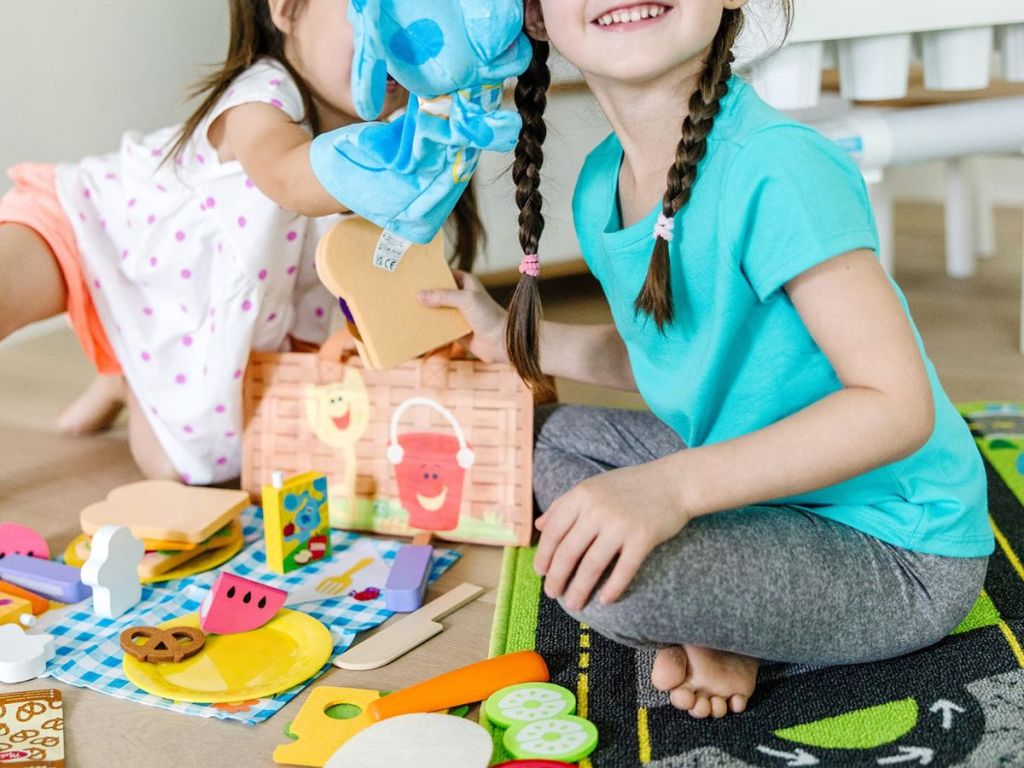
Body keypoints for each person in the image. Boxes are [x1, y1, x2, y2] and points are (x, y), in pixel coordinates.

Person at [420, 0, 992, 719]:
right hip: (759, 489)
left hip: (897, 546)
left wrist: (671, 490)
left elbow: (895, 405)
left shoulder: (778, 166)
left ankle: (731, 625)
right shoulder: (606, 182)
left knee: (603, 580)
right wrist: (512, 337)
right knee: (542, 440)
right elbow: (680, 359)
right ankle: (730, 620)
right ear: (534, 16)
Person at [0, 0, 483, 485]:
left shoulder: (404, 129)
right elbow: (288, 177)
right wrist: (407, 163)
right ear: (287, 10)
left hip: (185, 304)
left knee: (184, 469)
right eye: (371, 13)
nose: (398, 40)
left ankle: (126, 376)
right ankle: (121, 366)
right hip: (97, 222)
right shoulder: (263, 96)